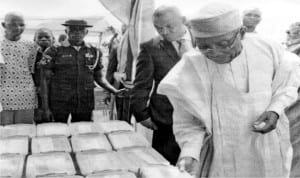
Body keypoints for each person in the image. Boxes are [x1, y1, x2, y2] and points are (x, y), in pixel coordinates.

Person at [157, 2, 300, 177]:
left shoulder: (268, 48)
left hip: (267, 148)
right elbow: (188, 120)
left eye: (223, 44)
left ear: (241, 33)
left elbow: (287, 84)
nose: (214, 52)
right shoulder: (192, 65)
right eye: (204, 46)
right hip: (222, 157)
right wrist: (190, 152)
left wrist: (275, 110)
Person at [130, 5, 194, 165]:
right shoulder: (149, 47)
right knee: (165, 166)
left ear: (183, 21)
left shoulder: (203, 40)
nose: (164, 32)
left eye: (169, 27)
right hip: (166, 119)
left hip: (199, 117)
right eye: (158, 28)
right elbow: (141, 85)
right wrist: (141, 115)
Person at [40, 19, 124, 123]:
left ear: (86, 32)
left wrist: (113, 90)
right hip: (60, 102)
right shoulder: (54, 50)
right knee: (59, 133)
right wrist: (45, 108)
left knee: (82, 133)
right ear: (66, 31)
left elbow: (99, 77)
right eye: (73, 30)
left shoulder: (94, 51)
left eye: (80, 30)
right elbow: (44, 80)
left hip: (84, 102)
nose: (77, 33)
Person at [0, 12, 38, 125]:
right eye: (13, 24)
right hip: (3, 97)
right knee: (4, 135)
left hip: (26, 96)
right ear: (3, 25)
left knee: (24, 133)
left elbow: (32, 70)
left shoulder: (31, 46)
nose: (18, 28)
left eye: (21, 25)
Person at [105, 24, 132, 122]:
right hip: (121, 89)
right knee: (122, 119)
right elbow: (110, 71)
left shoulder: (142, 49)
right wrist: (108, 91)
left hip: (137, 91)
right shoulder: (117, 48)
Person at [33, 28, 55, 123]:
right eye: (40, 37)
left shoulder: (58, 53)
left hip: (56, 93)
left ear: (53, 39)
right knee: (39, 118)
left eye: (47, 37)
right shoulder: (31, 55)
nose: (43, 39)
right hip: (37, 93)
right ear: (34, 40)